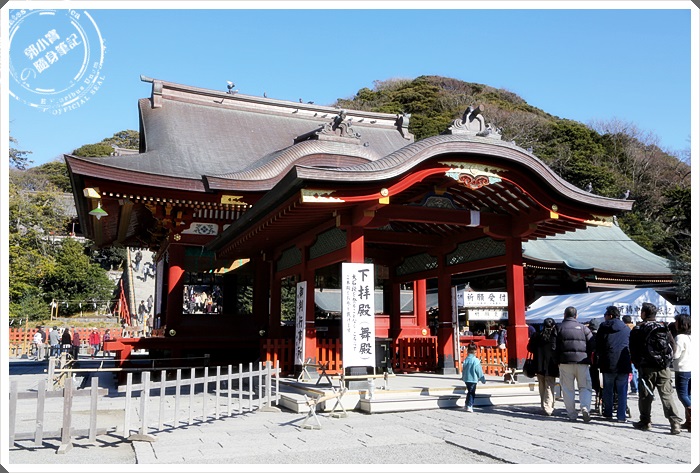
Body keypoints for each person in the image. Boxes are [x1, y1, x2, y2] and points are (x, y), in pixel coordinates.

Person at [629, 302, 683, 434]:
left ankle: (645, 421)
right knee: (666, 394)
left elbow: (633, 349)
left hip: (646, 367)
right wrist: (667, 361)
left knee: (645, 395)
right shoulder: (663, 327)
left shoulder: (638, 329)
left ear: (644, 313)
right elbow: (673, 345)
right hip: (664, 367)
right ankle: (675, 422)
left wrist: (637, 364)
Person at [556, 306, 594, 422]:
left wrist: (557, 360)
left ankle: (572, 414)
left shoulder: (558, 328)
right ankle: (585, 407)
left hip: (565, 362)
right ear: (576, 316)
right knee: (585, 387)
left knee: (568, 389)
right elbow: (592, 344)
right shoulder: (584, 328)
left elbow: (553, 346)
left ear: (564, 315)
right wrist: (587, 356)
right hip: (582, 362)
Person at [595, 306, 632, 423]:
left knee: (607, 390)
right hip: (623, 363)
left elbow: (598, 345)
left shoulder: (603, 328)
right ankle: (621, 416)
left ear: (610, 316)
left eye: (605, 315)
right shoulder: (626, 329)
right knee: (622, 391)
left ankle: (608, 413)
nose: (604, 317)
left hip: (608, 362)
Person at [527, 317, 559, 416]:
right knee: (550, 385)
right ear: (553, 326)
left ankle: (543, 405)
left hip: (538, 364)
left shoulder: (536, 335)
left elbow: (529, 348)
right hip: (551, 365)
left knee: (542, 385)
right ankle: (548, 406)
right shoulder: (555, 336)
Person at [672, 313, 691, 432]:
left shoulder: (680, 338)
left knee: (682, 395)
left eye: (677, 322)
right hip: (691, 368)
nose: (675, 324)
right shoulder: (692, 337)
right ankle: (689, 421)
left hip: (682, 369)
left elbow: (676, 354)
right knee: (689, 395)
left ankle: (692, 415)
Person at [461, 343, 486, 412]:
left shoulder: (466, 360)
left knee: (469, 391)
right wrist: (482, 379)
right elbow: (479, 371)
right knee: (472, 393)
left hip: (466, 378)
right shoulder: (476, 360)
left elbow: (463, 369)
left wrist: (463, 376)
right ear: (475, 351)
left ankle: (466, 404)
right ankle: (469, 405)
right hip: (473, 379)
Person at [622, 315, 639, 395]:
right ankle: (636, 387)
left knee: (632, 371)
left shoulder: (625, 328)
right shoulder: (635, 327)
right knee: (635, 371)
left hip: (628, 352)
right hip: (636, 352)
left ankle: (635, 388)